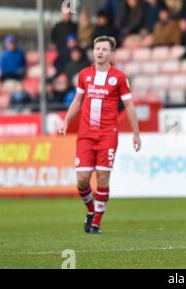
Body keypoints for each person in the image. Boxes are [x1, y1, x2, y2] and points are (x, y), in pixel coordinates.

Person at [58, 36, 142, 234]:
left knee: (103, 178)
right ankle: (90, 210)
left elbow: (129, 106)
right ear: (93, 51)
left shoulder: (119, 77)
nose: (100, 52)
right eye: (97, 48)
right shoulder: (84, 75)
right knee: (82, 179)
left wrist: (136, 134)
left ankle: (96, 223)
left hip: (107, 135)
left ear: (110, 53)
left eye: (104, 49)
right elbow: (78, 101)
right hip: (85, 134)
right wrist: (66, 121)